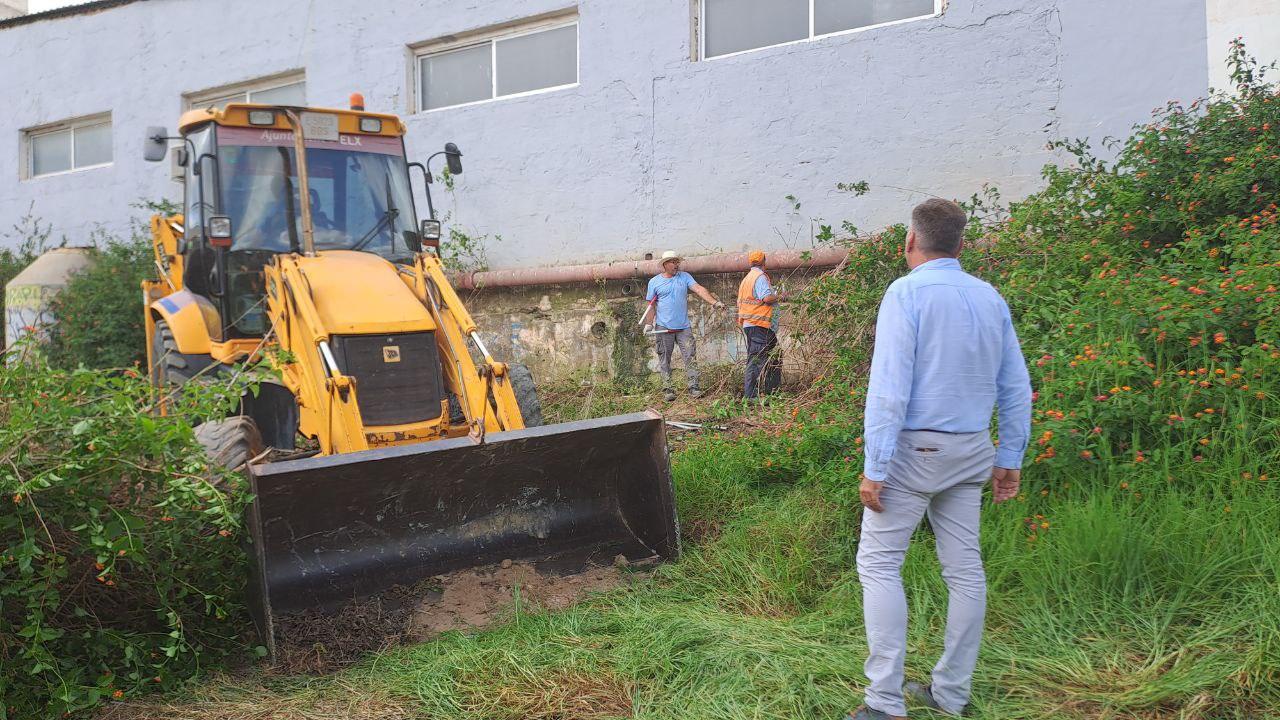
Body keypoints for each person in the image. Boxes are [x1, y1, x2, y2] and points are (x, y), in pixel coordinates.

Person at [847, 199, 1032, 720]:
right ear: (961, 245)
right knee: (966, 571)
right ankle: (951, 695)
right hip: (973, 449)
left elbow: (888, 389)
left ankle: (884, 703)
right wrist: (1010, 454)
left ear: (910, 242)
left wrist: (874, 467)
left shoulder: (906, 293)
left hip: (913, 451)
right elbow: (1016, 385)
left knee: (879, 565)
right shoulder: (989, 297)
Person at [644, 250, 725, 401]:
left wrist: (714, 302)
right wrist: (649, 324)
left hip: (683, 327)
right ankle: (668, 389)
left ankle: (694, 387)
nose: (676, 265)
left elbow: (699, 289)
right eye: (673, 262)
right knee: (664, 358)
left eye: (677, 262)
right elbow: (651, 305)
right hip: (663, 327)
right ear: (664, 265)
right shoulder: (654, 282)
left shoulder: (685, 277)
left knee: (690, 356)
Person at [737, 249, 787, 400]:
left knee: (774, 355)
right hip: (759, 324)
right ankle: (751, 395)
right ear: (764, 262)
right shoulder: (759, 277)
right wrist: (780, 296)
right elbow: (767, 298)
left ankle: (771, 391)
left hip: (753, 324)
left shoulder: (747, 278)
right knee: (757, 359)